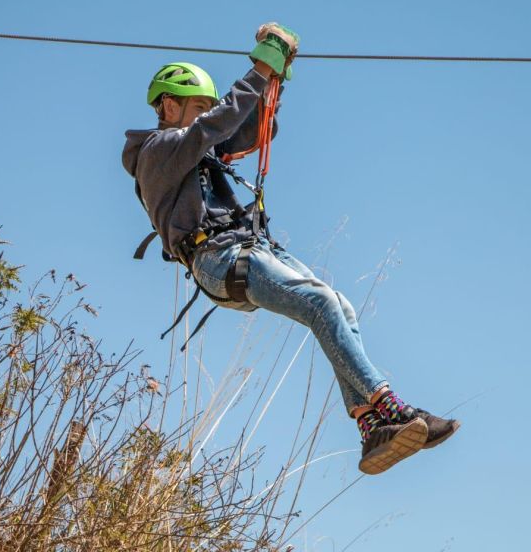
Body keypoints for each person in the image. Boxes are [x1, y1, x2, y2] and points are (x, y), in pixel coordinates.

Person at [122, 23, 459, 474]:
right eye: (197, 106)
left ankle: (370, 427)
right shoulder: (158, 151)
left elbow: (248, 130)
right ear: (168, 104)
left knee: (339, 305)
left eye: (206, 106)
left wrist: (272, 84)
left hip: (250, 247)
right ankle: (391, 406)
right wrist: (260, 67)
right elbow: (214, 126)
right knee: (319, 302)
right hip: (218, 258)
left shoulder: (196, 147)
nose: (205, 114)